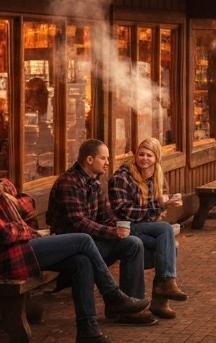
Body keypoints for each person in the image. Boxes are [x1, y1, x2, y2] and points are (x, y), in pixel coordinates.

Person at [0, 139, 148, 343]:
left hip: (22, 247)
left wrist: (16, 212)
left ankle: (89, 332)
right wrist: (27, 229)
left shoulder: (0, 185)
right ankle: (112, 295)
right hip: (2, 259)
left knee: (82, 261)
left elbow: (29, 204)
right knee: (83, 240)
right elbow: (4, 234)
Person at [48, 139, 156, 326]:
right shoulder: (69, 183)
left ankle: (130, 306)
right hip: (70, 247)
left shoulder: (95, 183)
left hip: (92, 242)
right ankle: (115, 302)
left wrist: (120, 229)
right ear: (89, 159)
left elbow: (107, 216)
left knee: (133, 243)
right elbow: (79, 223)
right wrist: (112, 232)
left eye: (108, 158)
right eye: (103, 158)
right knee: (97, 252)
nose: (107, 162)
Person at [108, 138, 187, 319]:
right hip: (124, 228)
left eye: (149, 155)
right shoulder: (122, 177)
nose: (144, 158)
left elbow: (154, 209)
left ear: (156, 158)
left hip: (143, 226)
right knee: (166, 232)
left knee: (168, 246)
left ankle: (160, 300)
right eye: (141, 154)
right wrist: (158, 207)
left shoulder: (155, 175)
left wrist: (165, 203)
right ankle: (165, 286)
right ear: (135, 155)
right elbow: (124, 211)